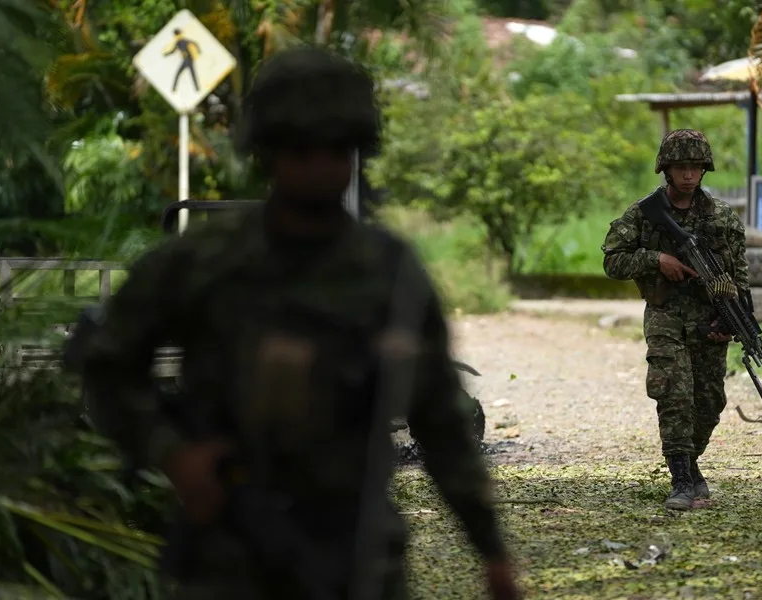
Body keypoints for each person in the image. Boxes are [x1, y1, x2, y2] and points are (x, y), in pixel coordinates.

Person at [75, 47, 520, 600]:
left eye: (336, 149)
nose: (320, 168)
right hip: (228, 550)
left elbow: (439, 418)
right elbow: (107, 362)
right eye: (301, 150)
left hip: (353, 550)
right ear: (268, 152)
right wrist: (172, 453)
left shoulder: (389, 270)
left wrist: (490, 550)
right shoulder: (203, 261)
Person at [600, 129, 749, 511]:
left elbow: (739, 274)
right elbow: (612, 261)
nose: (688, 175)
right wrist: (656, 260)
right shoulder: (643, 214)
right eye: (681, 167)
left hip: (709, 321)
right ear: (666, 169)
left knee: (710, 402)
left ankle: (691, 464)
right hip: (665, 316)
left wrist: (737, 320)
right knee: (674, 395)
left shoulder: (722, 218)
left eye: (695, 167)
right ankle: (681, 478)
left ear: (705, 170)